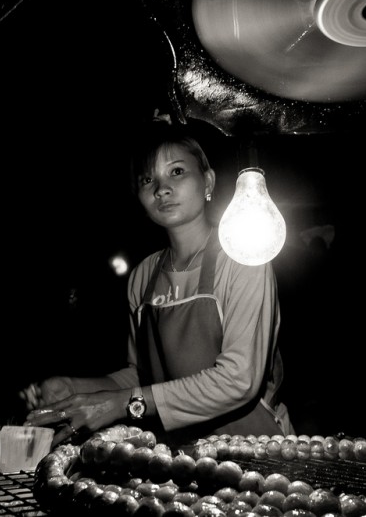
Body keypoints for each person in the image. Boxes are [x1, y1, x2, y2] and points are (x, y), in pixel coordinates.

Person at [20, 114, 295, 446]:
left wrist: (123, 403)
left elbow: (238, 381)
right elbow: (143, 376)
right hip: (182, 461)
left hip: (259, 455)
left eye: (177, 172)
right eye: (148, 180)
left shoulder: (243, 258)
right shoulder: (143, 276)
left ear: (207, 182)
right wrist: (76, 388)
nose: (162, 189)